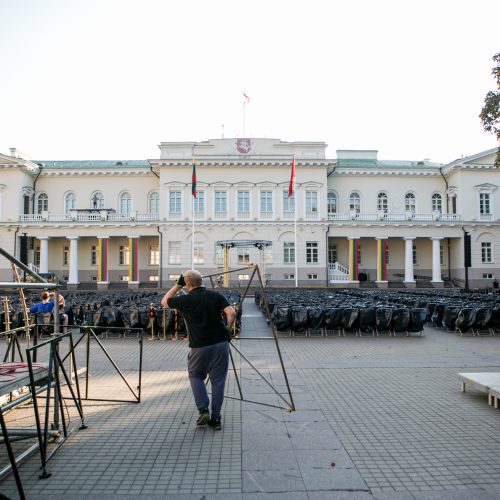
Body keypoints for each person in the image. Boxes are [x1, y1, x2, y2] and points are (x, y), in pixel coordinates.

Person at [161, 270, 235, 430]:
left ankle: (203, 409)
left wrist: (177, 285)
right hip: (220, 343)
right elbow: (231, 312)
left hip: (198, 346)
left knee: (195, 375)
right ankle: (216, 419)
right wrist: (228, 331)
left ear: (187, 285)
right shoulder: (215, 296)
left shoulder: (185, 300)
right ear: (202, 282)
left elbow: (164, 302)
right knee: (218, 382)